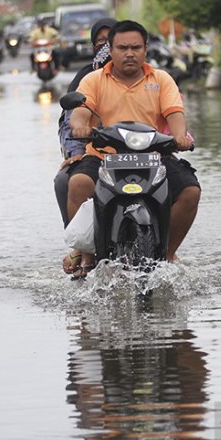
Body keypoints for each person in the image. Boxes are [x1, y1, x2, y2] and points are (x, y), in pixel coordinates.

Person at [65, 20, 200, 278]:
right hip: (104, 156)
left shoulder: (161, 79)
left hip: (153, 157)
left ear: (146, 49)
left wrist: (181, 137)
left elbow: (175, 115)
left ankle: (168, 254)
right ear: (111, 50)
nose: (130, 53)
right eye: (123, 47)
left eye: (136, 47)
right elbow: (79, 114)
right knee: (78, 182)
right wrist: (80, 127)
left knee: (190, 190)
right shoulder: (93, 80)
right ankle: (86, 254)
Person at [55, 17, 117, 275]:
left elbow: (168, 117)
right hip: (97, 153)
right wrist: (76, 152)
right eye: (100, 42)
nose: (107, 47)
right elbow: (71, 121)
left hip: (140, 153)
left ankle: (166, 247)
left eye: (110, 40)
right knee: (67, 180)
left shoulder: (151, 76)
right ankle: (82, 246)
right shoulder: (88, 79)